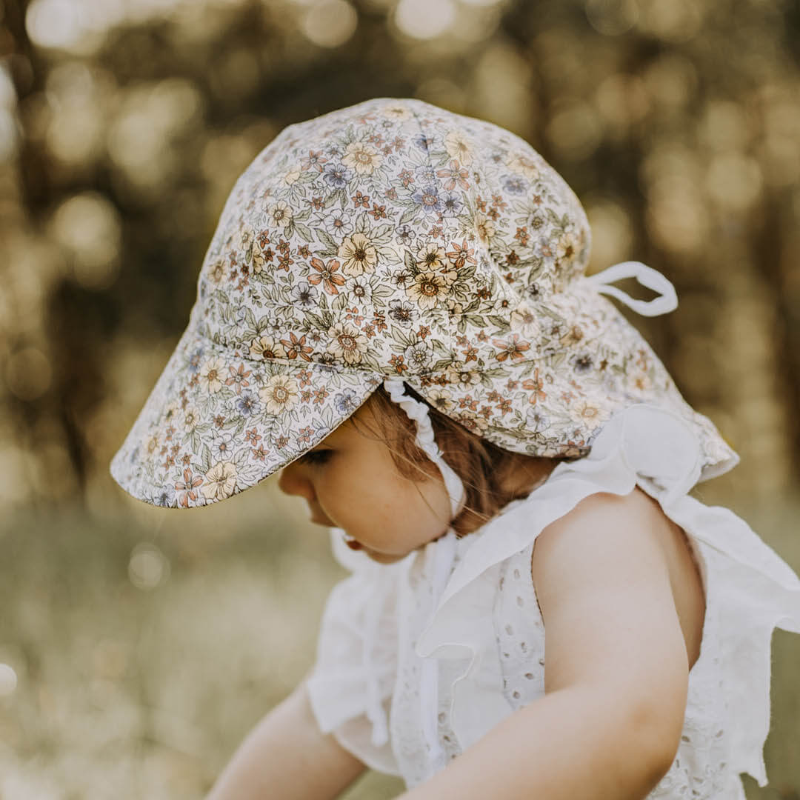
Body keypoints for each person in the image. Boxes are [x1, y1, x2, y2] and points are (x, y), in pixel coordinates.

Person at [110, 98, 800, 799]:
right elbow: (320, 726)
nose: (287, 485)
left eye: (318, 454)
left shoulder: (594, 527)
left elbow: (622, 719)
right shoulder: (419, 575)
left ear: (443, 407)